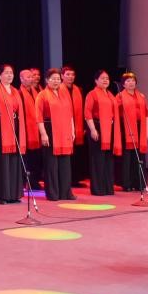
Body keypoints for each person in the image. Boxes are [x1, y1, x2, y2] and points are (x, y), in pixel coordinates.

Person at [36, 68, 77, 201]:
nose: (56, 81)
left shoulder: (64, 94)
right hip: (50, 130)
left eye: (58, 79)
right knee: (51, 164)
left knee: (65, 163)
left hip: (65, 130)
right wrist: (43, 134)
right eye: (53, 79)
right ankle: (53, 193)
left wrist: (72, 130)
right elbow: (38, 117)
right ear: (47, 80)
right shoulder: (42, 95)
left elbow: (70, 114)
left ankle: (66, 192)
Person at [0, 64, 27, 204]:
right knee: (2, 163)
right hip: (1, 128)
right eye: (6, 73)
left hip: (14, 126)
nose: (10, 75)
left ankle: (14, 194)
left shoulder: (15, 91)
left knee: (14, 162)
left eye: (11, 73)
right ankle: (2, 195)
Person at [84, 70, 121, 196]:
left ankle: (107, 187)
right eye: (102, 78)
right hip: (97, 127)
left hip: (109, 128)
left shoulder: (110, 94)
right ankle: (98, 188)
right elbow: (87, 113)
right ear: (96, 81)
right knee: (98, 159)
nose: (105, 80)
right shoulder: (92, 94)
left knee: (108, 160)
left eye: (107, 78)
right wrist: (93, 129)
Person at [115, 72, 148, 192]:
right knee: (127, 157)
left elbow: (146, 115)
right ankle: (127, 183)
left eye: (133, 80)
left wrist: (147, 130)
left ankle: (139, 183)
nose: (131, 83)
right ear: (123, 84)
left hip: (140, 128)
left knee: (139, 156)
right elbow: (115, 113)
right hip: (126, 128)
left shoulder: (141, 96)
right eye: (128, 81)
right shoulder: (119, 96)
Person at [61, 66, 88, 188]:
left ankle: (75, 179)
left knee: (76, 155)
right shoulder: (59, 89)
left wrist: (84, 126)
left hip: (78, 126)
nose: (70, 77)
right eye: (68, 74)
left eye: (72, 74)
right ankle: (65, 179)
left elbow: (83, 109)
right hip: (63, 126)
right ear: (62, 76)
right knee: (66, 155)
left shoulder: (78, 90)